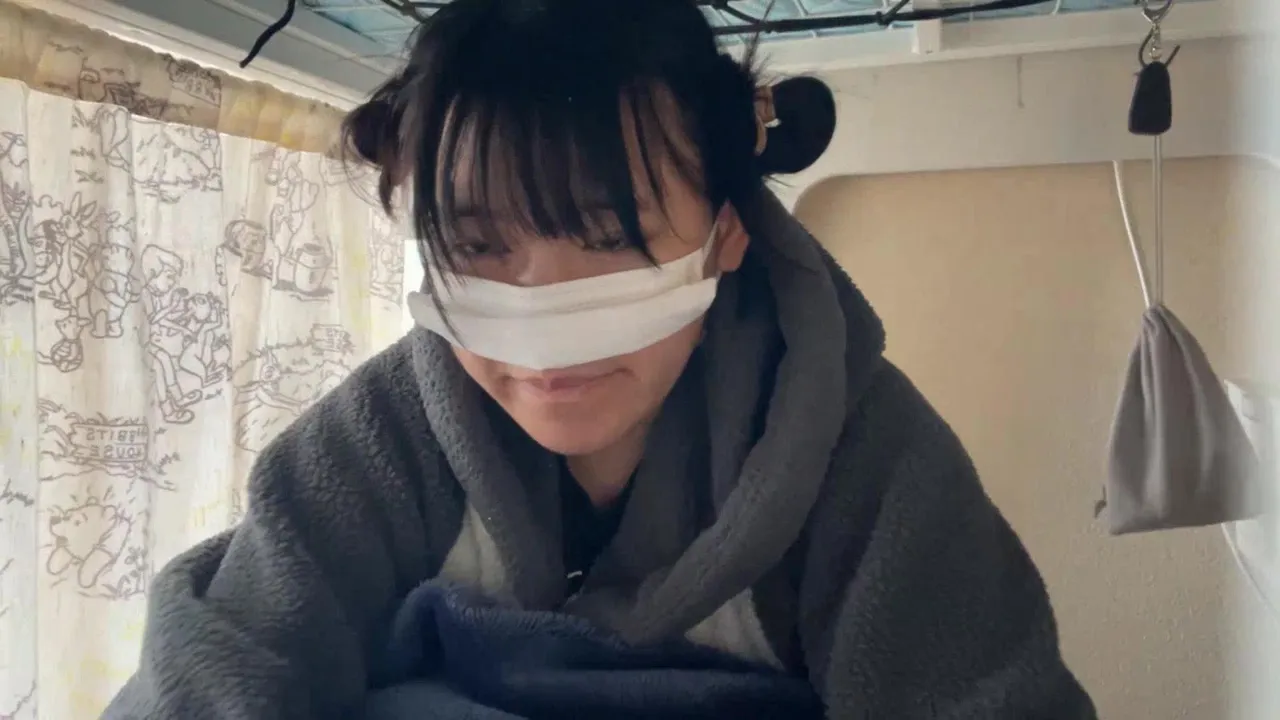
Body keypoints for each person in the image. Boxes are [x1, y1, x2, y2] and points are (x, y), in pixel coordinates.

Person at [104, 0, 1096, 718]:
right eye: (478, 244)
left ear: (726, 231)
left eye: (611, 235)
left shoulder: (867, 462)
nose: (541, 313)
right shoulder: (379, 444)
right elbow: (220, 662)